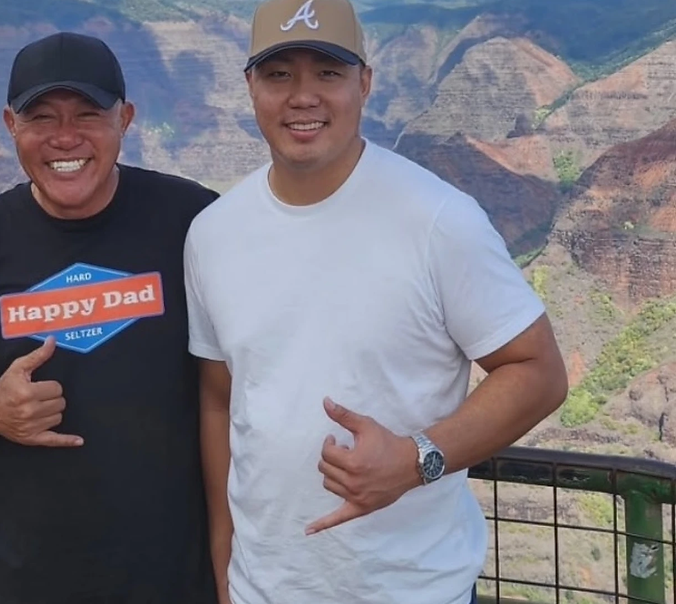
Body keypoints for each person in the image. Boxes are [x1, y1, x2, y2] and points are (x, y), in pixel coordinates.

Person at [183, 0, 570, 603]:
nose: (303, 96)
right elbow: (218, 397)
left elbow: (539, 372)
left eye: (328, 73)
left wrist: (418, 459)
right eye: (279, 73)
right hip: (263, 589)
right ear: (250, 86)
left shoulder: (439, 220)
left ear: (365, 82)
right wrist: (223, 551)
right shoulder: (212, 234)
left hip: (411, 589)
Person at [0, 31, 220, 604]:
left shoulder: (194, 220)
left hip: (175, 579)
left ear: (126, 119)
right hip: (30, 581)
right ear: (11, 125)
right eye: (41, 117)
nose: (65, 137)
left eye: (88, 114)